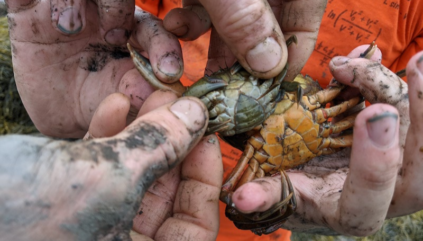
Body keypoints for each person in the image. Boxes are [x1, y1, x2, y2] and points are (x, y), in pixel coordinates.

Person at [2, 0, 422, 240]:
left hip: (265, 185)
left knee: (249, 201)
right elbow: (137, 27)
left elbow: (391, 99)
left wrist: (398, 156)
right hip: (122, 187)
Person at [138, 0, 423, 239]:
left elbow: (394, 105)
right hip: (155, 162)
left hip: (276, 182)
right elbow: (128, 22)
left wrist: (397, 157)